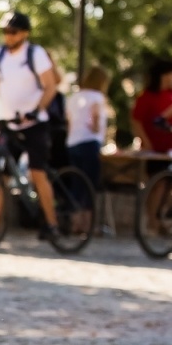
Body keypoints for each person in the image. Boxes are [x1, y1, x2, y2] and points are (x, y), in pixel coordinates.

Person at [0, 10, 60, 251]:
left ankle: (51, 224)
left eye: (13, 31)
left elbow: (50, 86)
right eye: (5, 31)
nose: (8, 35)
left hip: (35, 124)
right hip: (9, 123)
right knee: (0, 177)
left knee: (37, 173)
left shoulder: (35, 54)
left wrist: (37, 111)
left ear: (24, 33)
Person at [66, 65, 111, 237]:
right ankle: (87, 224)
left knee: (77, 183)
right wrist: (97, 128)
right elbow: (96, 116)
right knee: (90, 184)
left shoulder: (75, 97)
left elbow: (69, 120)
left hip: (73, 142)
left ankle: (75, 222)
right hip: (90, 142)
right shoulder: (96, 97)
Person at [130, 60, 172, 154]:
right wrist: (146, 142)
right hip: (152, 152)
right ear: (164, 76)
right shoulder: (146, 96)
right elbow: (136, 121)